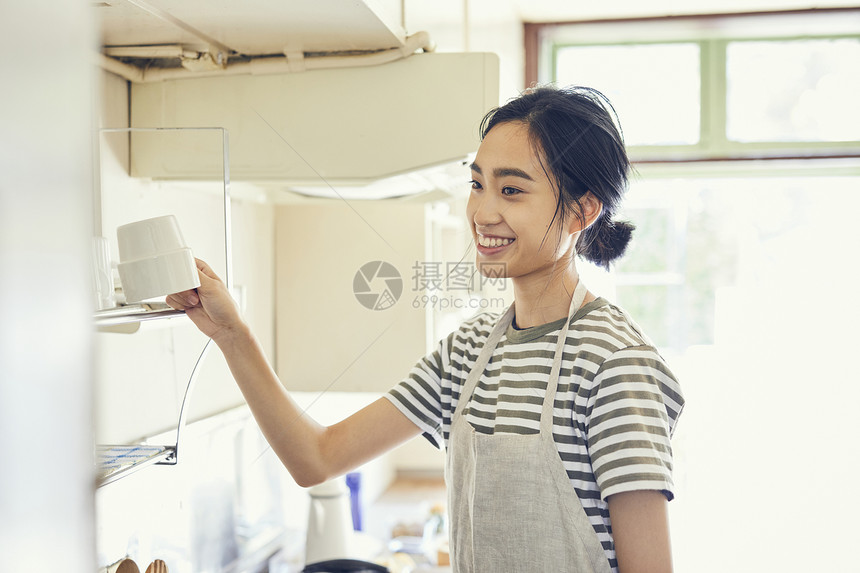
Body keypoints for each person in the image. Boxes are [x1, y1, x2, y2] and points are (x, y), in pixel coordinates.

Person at [167, 85, 684, 573]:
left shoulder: (615, 365)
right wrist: (231, 334)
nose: (483, 212)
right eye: (478, 185)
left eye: (511, 190)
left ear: (581, 212)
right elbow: (316, 458)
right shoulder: (468, 352)